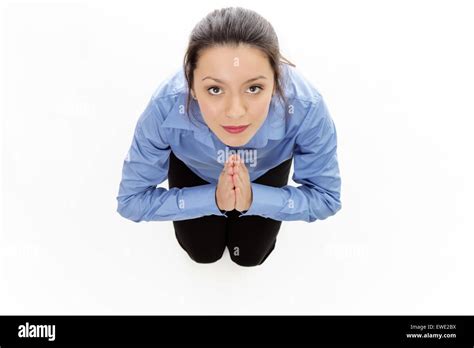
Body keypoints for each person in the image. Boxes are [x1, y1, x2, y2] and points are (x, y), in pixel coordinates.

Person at [116, 7, 342, 267]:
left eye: (254, 88)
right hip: (194, 167)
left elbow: (327, 197)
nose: (235, 112)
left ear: (276, 81)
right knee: (203, 253)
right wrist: (212, 198)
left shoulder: (306, 107)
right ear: (191, 84)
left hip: (264, 167)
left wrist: (254, 198)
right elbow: (131, 201)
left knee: (249, 256)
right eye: (214, 89)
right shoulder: (166, 106)